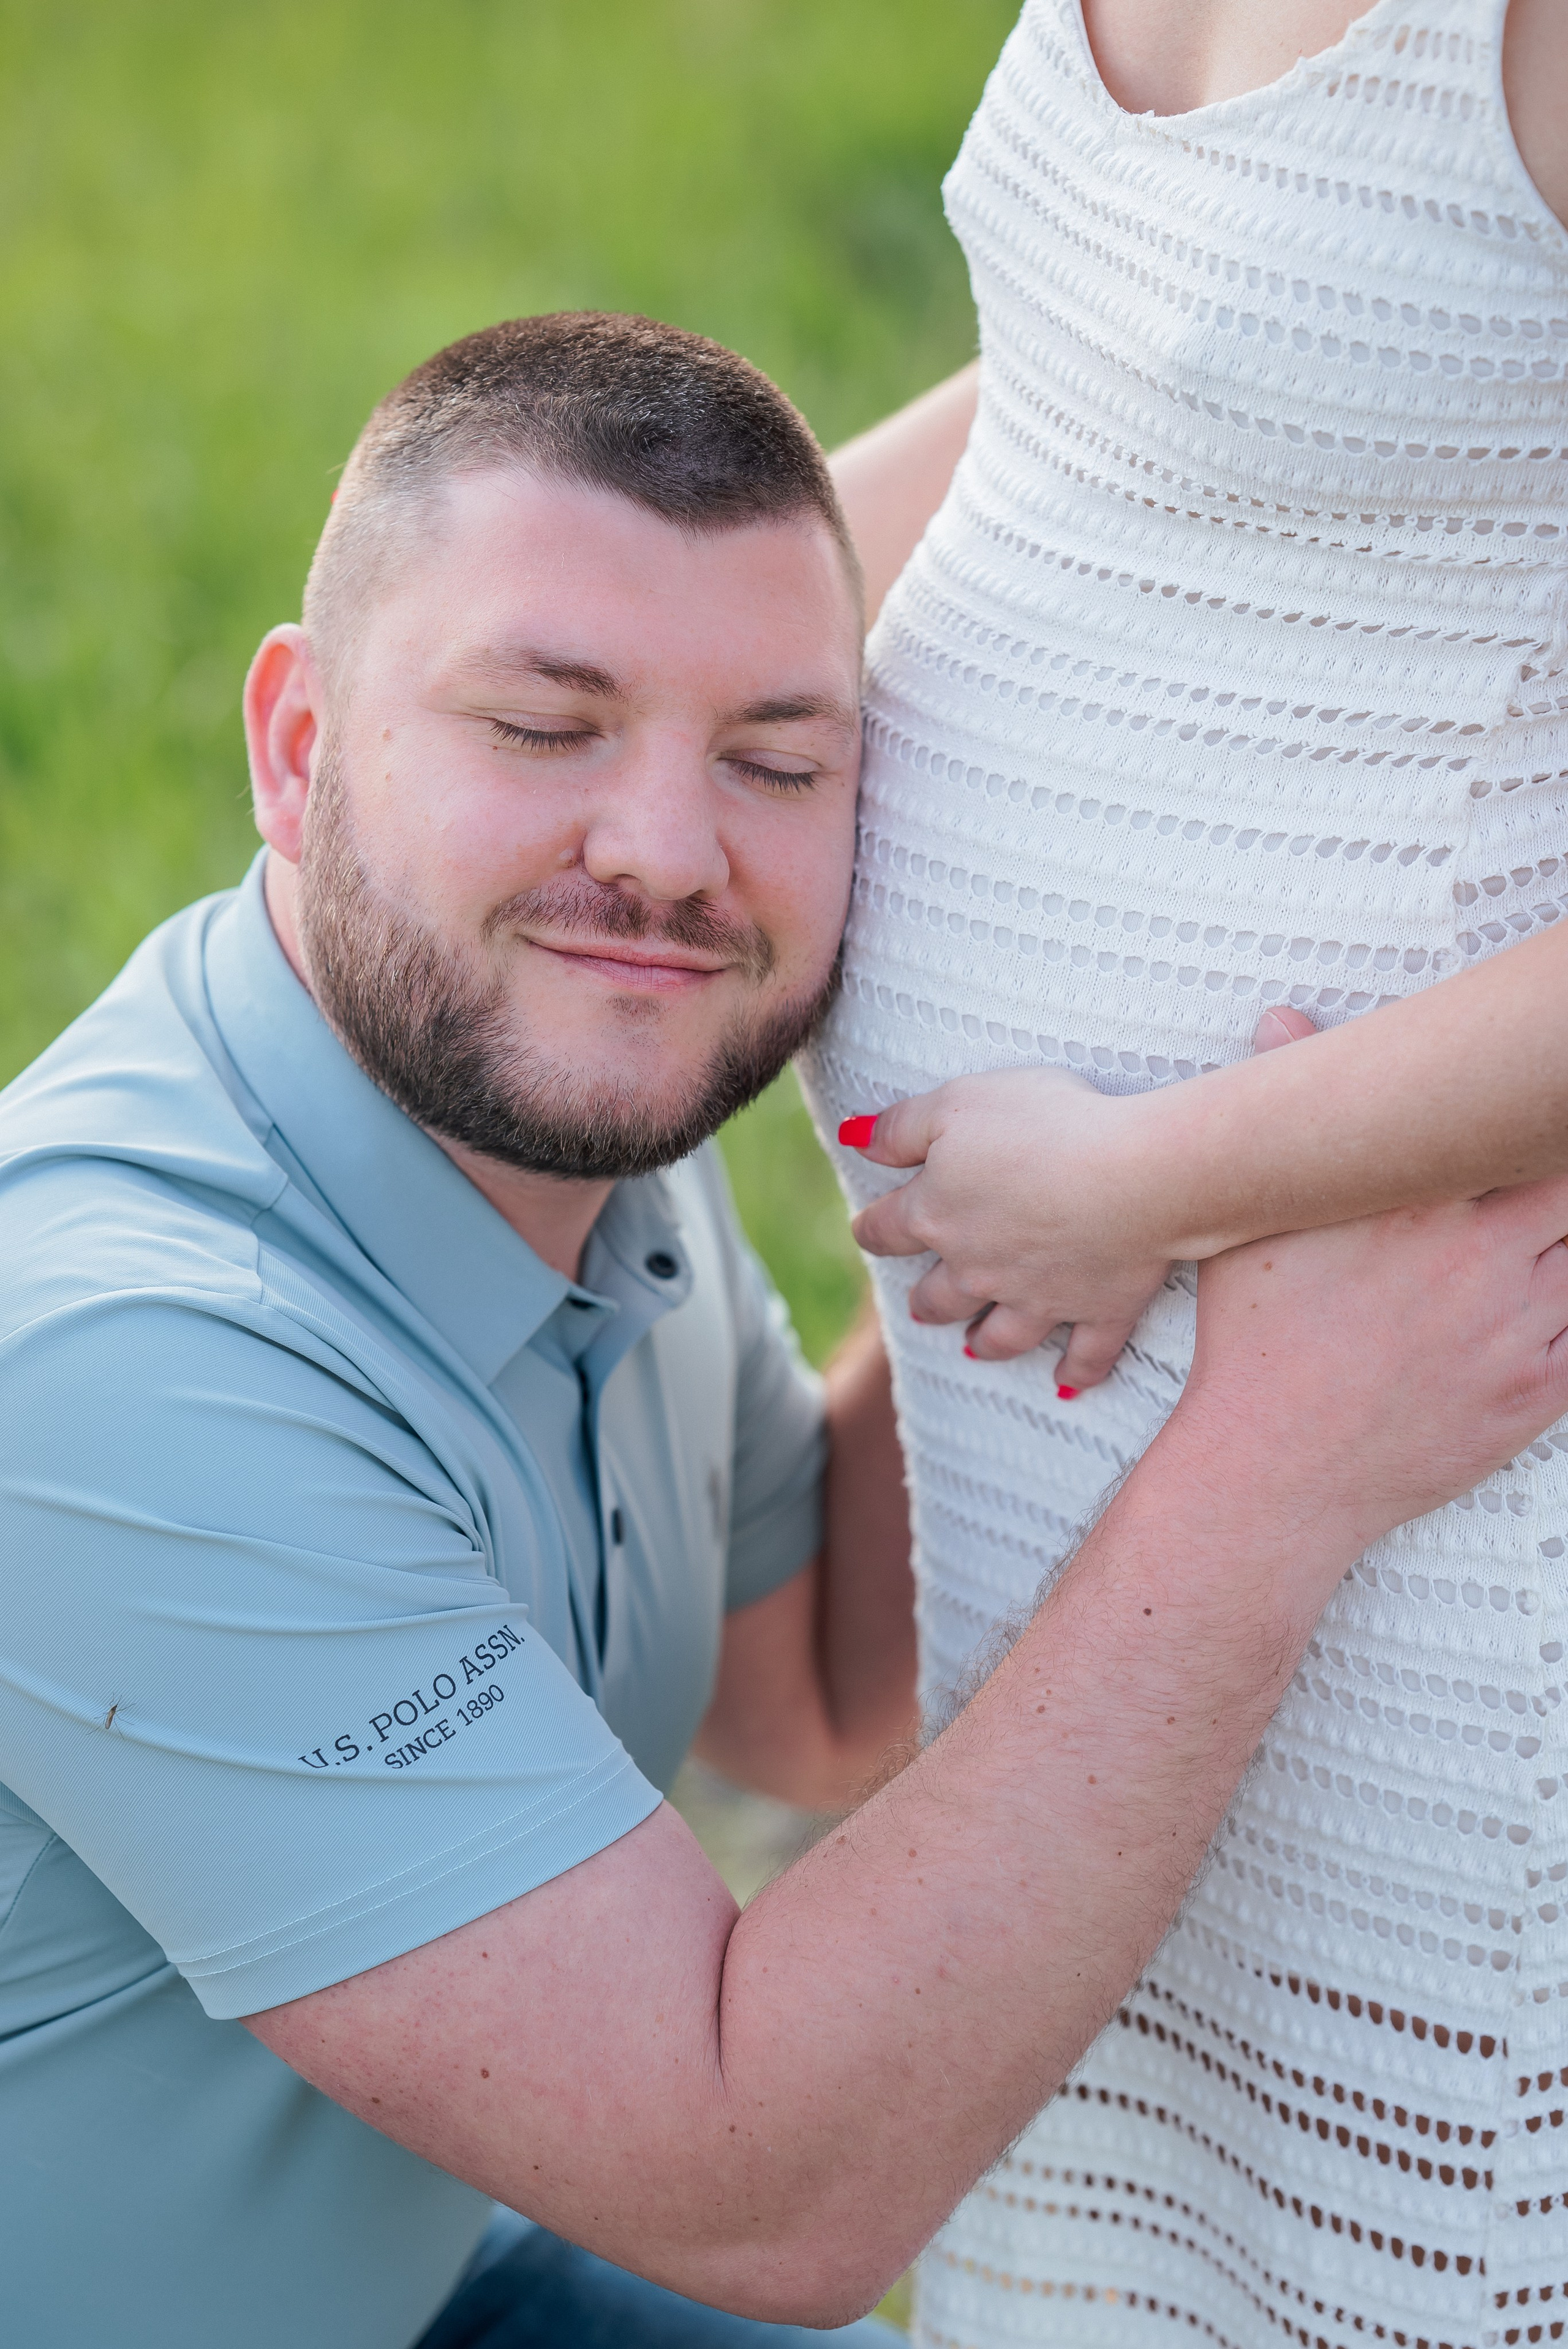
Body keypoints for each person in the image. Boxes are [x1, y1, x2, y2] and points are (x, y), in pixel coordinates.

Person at [2, 309, 1562, 2349]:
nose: (666, 854)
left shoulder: (556, 1125)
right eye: (546, 725)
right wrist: (1279, 1458)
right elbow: (762, 2191)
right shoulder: (120, 1372)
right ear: (298, 750)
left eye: (775, 761)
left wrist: (1133, 1188)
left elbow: (806, 1696)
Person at [804, 0, 1568, 2341]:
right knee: (1131, 2176)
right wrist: (540, 674)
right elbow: (1089, 377)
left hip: (1426, 1389)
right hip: (1072, 1374)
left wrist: (1153, 1177)